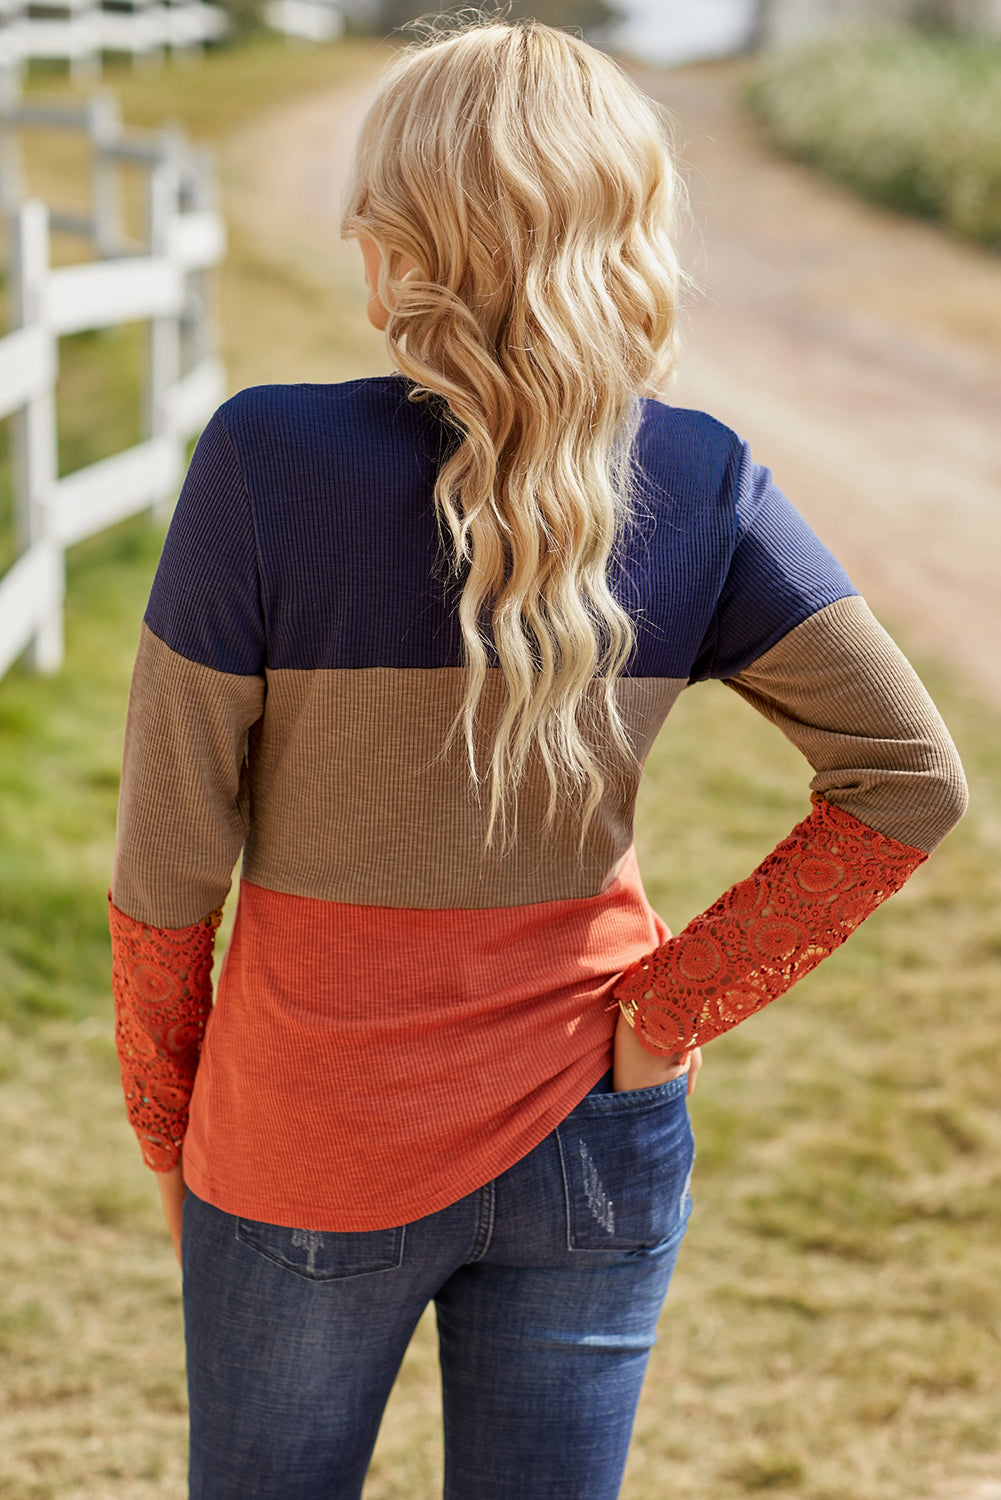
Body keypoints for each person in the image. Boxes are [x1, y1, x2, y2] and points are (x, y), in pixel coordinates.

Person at [107, 17, 967, 1500]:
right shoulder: (701, 478)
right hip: (596, 1128)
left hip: (308, 1132)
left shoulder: (261, 462)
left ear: (396, 242)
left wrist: (170, 1131)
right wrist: (669, 1014)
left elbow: (167, 861)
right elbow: (909, 776)